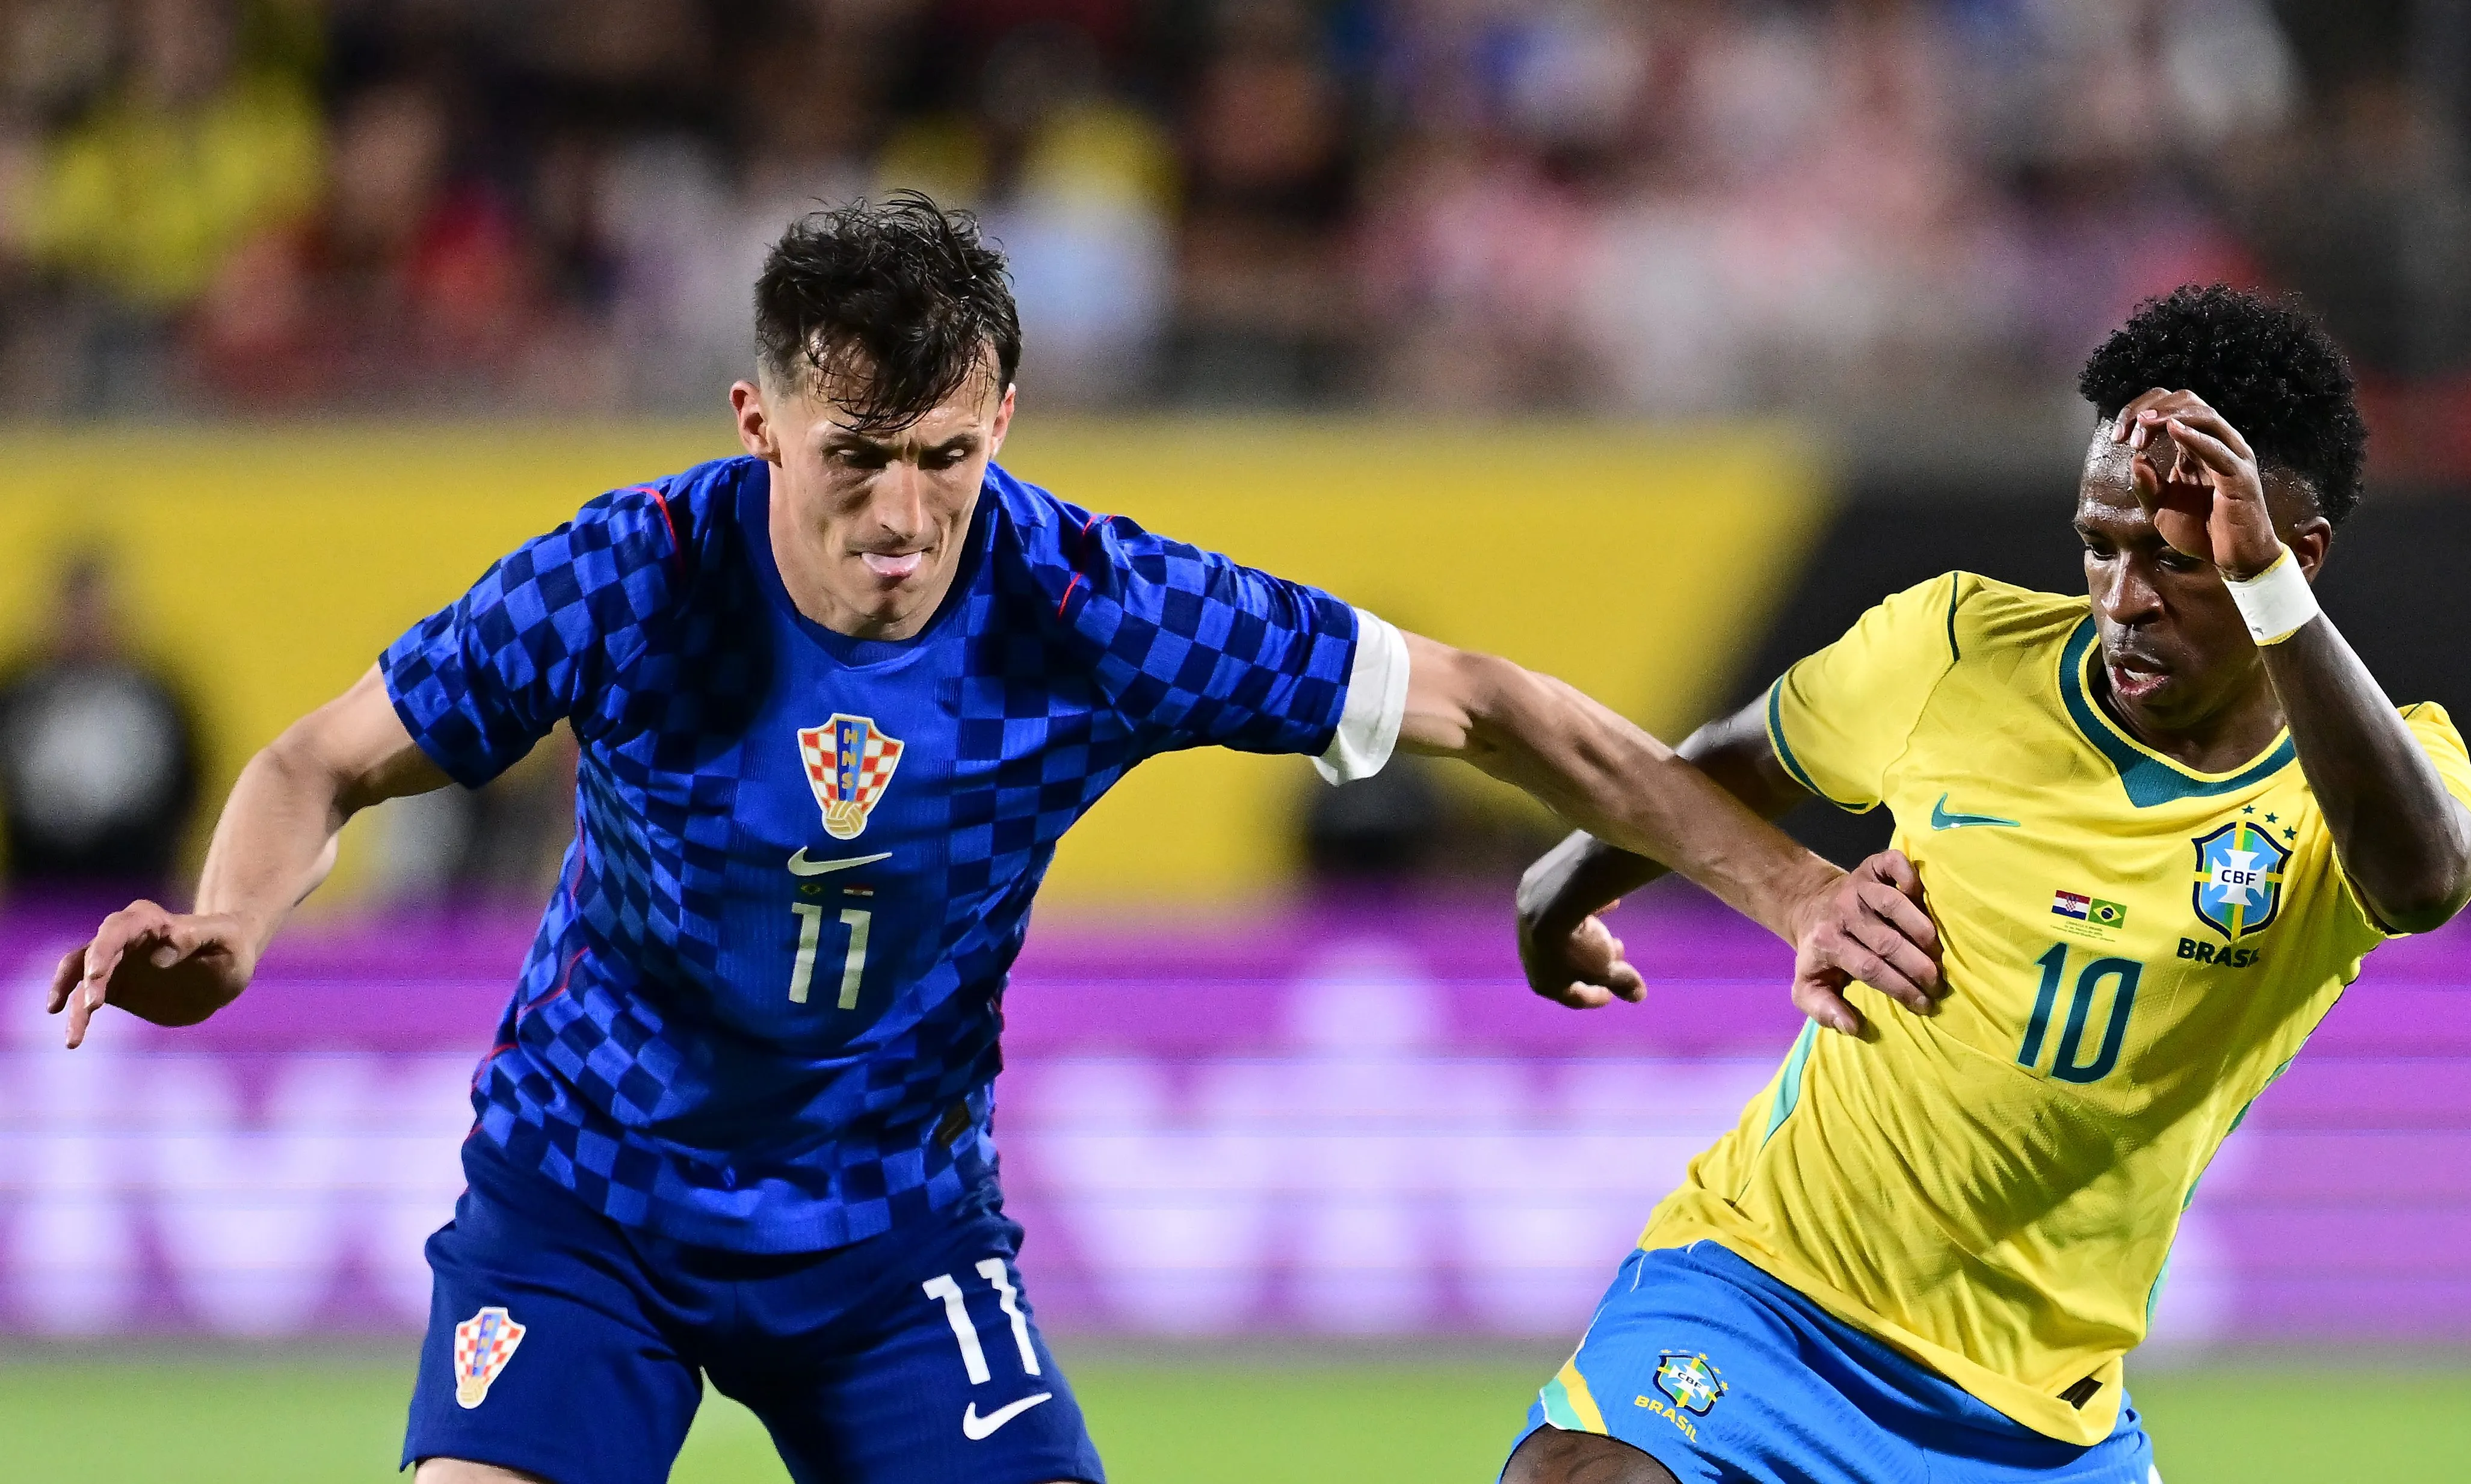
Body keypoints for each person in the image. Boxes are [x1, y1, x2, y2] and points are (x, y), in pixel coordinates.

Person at [45, 196, 1933, 1484]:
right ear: (754, 419)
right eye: (850, 457)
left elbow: (1485, 705)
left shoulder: (1091, 602)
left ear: (1003, 421)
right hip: (587, 1211)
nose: (901, 513)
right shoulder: (630, 576)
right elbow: (318, 762)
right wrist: (232, 926)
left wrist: (1782, 889)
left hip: (888, 1236)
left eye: (946, 458)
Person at [1506, 284, 2471, 1484]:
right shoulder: (1953, 651)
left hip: (2034, 1419)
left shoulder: (2375, 778)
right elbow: (1713, 771)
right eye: (2099, 545)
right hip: (1770, 1296)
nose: (2122, 602)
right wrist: (1557, 893)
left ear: (2294, 553)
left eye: (2177, 562)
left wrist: (2265, 589)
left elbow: (2423, 880)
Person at [0, 554, 205, 903]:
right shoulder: (20, 696)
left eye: (96, 615)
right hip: (37, 889)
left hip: (136, 886)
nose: (86, 629)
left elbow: (191, 782)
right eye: (76, 616)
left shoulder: (156, 698)